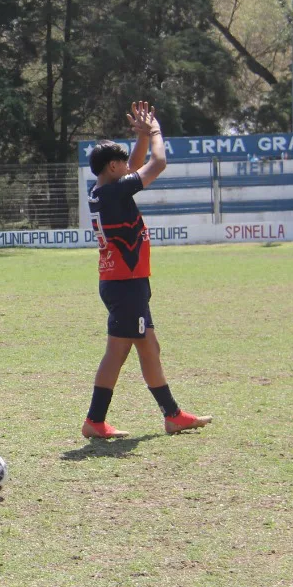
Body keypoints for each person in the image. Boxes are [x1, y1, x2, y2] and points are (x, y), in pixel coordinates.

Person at [85, 102, 213, 439]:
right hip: (125, 285)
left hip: (125, 283)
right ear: (113, 167)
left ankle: (172, 415)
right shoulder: (114, 192)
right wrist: (154, 131)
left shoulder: (102, 190)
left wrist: (139, 135)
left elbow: (134, 167)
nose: (128, 166)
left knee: (149, 347)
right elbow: (158, 163)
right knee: (118, 351)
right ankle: (95, 420)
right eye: (123, 163)